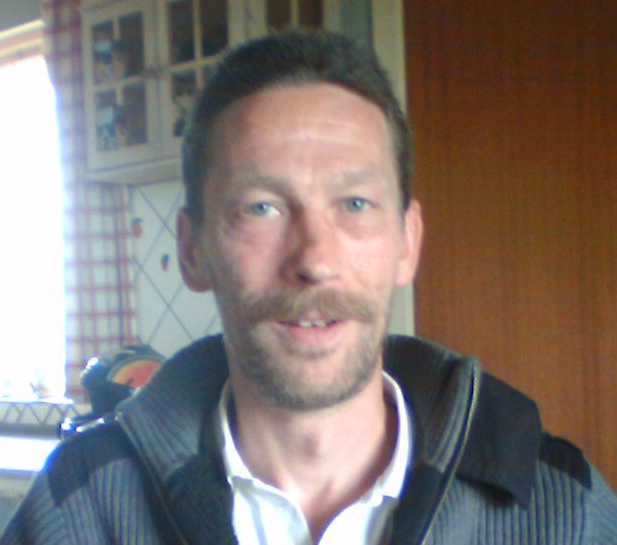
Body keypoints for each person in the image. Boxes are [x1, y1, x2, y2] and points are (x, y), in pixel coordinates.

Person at [3, 30, 617, 545]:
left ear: (408, 242)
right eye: (261, 207)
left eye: (355, 203)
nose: (314, 260)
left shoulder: (566, 512)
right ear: (193, 249)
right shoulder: (77, 512)